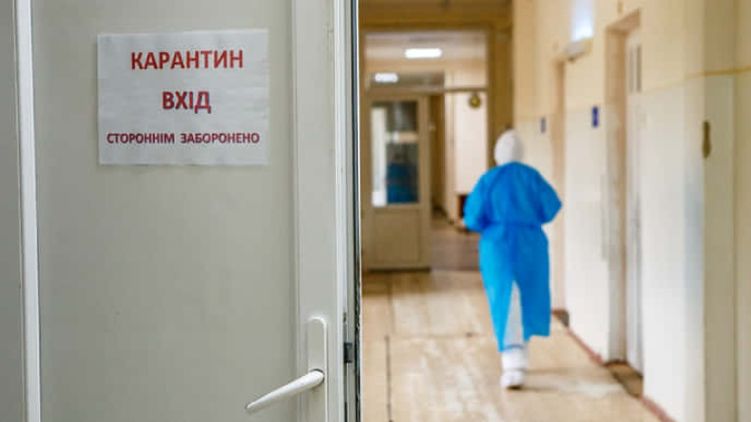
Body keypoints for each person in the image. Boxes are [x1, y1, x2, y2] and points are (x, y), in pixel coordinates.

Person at [463, 129, 562, 389]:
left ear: (497, 153)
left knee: (504, 298)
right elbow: (550, 206)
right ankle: (520, 353)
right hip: (530, 244)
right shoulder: (531, 177)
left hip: (497, 245)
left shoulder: (490, 179)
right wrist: (526, 217)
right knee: (528, 296)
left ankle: (512, 362)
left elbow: (473, 217)